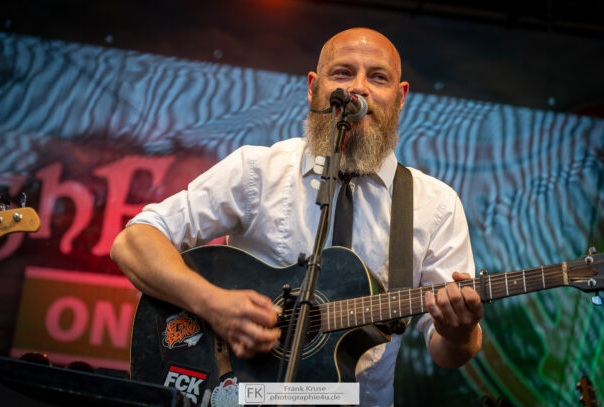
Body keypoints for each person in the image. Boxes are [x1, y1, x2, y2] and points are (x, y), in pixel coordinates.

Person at [111, 27, 483, 406]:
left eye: (378, 77)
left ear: (400, 98)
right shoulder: (258, 171)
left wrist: (460, 331)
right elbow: (134, 241)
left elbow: (448, 353)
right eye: (342, 73)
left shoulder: (435, 205)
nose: (359, 88)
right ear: (313, 87)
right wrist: (213, 305)